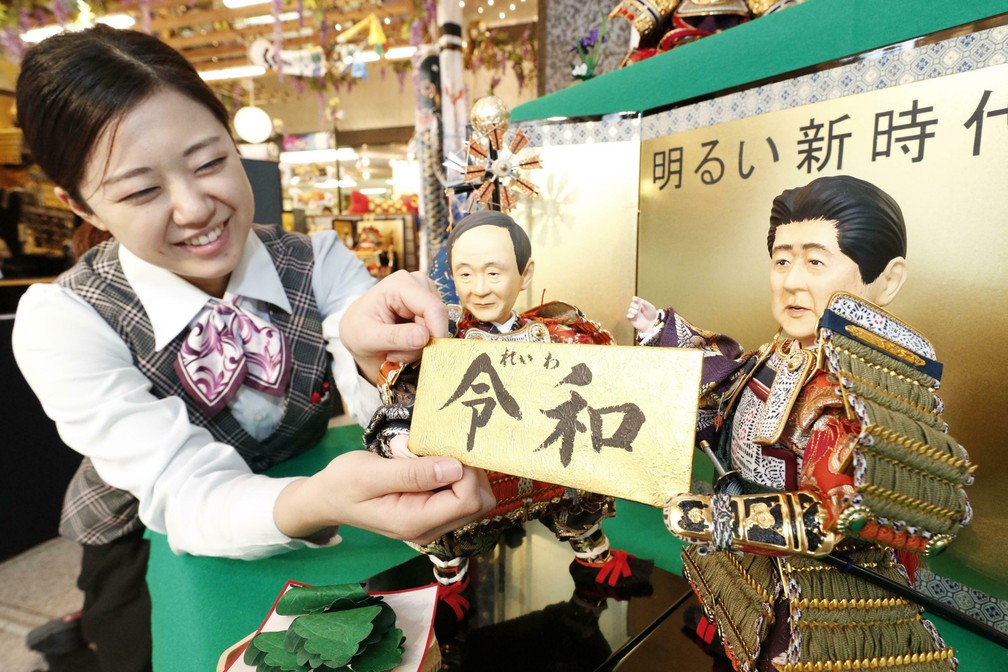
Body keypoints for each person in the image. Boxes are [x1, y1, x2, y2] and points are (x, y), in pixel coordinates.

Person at [12, 25, 493, 672]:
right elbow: (181, 493)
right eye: (140, 191)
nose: (194, 208)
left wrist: (375, 349)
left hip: (321, 492)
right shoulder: (65, 319)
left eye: (210, 161)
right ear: (82, 205)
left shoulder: (316, 259)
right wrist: (315, 501)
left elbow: (360, 332)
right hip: (148, 545)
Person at [627, 175, 973, 672]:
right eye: (782, 260)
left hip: (821, 594)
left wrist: (719, 519)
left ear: (887, 280)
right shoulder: (773, 355)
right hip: (748, 572)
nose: (791, 280)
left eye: (815, 261)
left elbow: (835, 512)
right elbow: (719, 415)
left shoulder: (861, 390)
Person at [365, 209, 652, 622]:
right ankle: (450, 580)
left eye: (494, 273)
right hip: (478, 475)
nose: (479, 289)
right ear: (451, 274)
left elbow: (602, 382)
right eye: (465, 274)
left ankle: (595, 556)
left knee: (579, 501)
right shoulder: (438, 342)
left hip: (549, 462)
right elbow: (404, 399)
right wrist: (400, 436)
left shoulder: (558, 332)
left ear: (526, 271)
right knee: (452, 529)